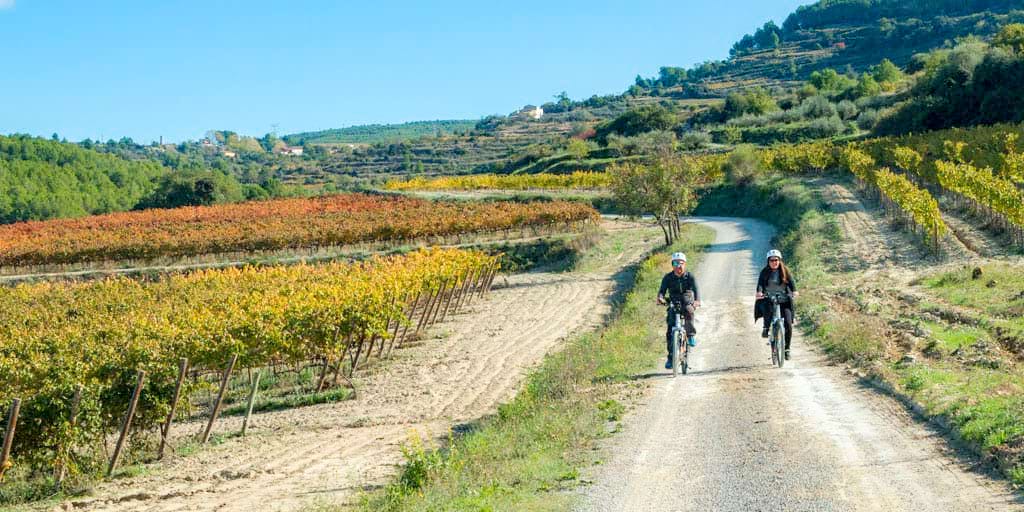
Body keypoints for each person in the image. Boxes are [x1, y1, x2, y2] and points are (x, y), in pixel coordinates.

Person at [657, 252, 701, 369]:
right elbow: (662, 291)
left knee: (689, 310)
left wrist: (697, 301)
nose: (679, 266)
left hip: (686, 301)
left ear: (684, 264)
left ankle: (690, 335)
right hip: (674, 302)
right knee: (670, 330)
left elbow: (696, 290)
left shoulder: (690, 276)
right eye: (676, 263)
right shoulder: (668, 278)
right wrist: (660, 298)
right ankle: (671, 358)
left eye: (681, 263)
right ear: (672, 265)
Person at [754, 249, 799, 360]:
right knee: (767, 310)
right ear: (768, 261)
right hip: (769, 298)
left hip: (784, 299)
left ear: (780, 261)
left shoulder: (785, 271)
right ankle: (766, 327)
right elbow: (760, 284)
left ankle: (787, 349)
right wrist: (759, 292)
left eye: (776, 260)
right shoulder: (764, 272)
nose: (774, 262)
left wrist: (794, 291)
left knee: (788, 324)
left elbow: (792, 282)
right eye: (772, 260)